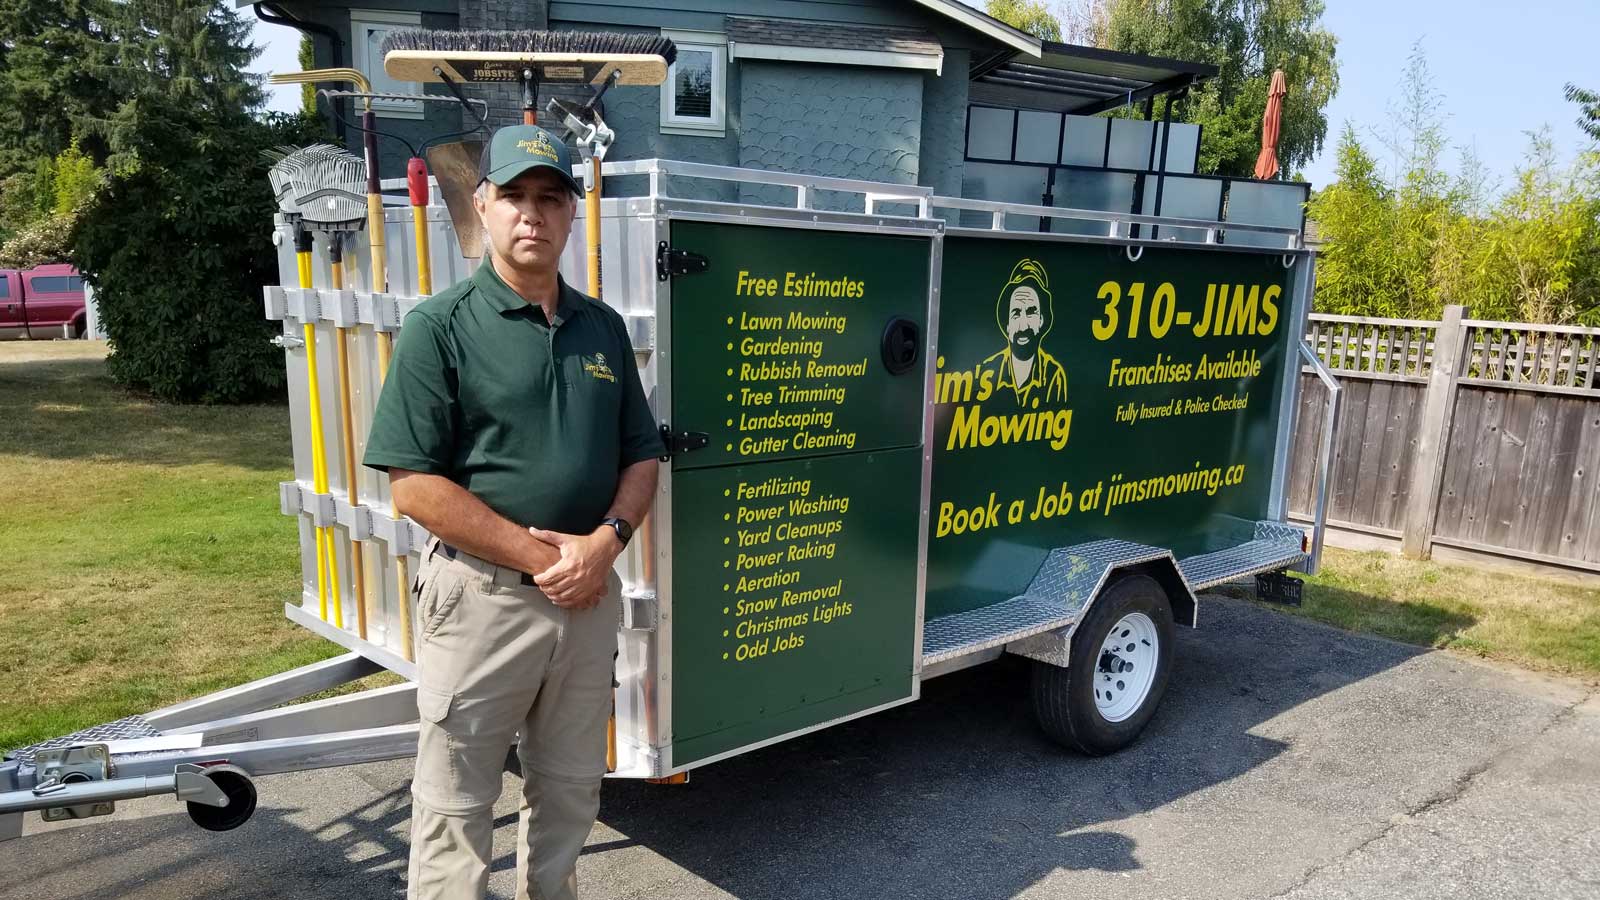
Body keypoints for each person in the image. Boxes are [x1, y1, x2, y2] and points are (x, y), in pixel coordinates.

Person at [362, 123, 663, 900]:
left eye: (551, 198)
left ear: (571, 213)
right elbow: (413, 485)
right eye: (516, 197)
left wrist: (606, 544)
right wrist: (551, 561)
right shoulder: (440, 327)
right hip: (482, 602)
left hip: (586, 600)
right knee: (455, 805)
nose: (534, 214)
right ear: (486, 206)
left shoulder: (603, 328)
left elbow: (642, 454)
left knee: (568, 793)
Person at [975, 258, 1068, 407]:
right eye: (1016, 314)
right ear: (1007, 325)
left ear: (1041, 320)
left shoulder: (1053, 375)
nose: (1023, 326)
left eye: (1031, 312)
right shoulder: (987, 371)